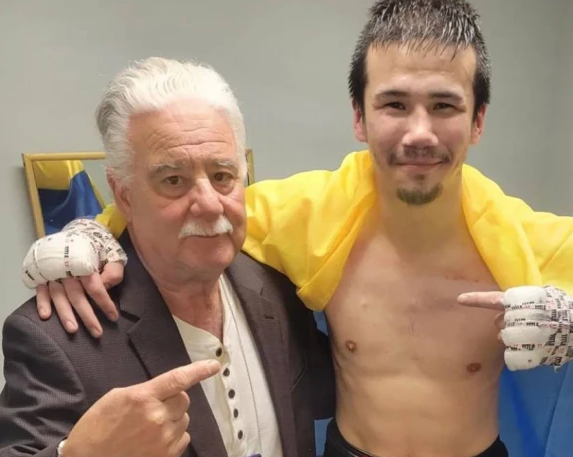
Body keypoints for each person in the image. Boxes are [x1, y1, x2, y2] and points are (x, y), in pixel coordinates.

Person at [20, 1, 573, 456]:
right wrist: (88, 237)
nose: (418, 131)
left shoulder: (538, 244)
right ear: (360, 118)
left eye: (444, 105)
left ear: (477, 120)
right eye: (394, 104)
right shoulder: (305, 216)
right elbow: (192, 214)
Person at [2, 57, 335, 457]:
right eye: (173, 180)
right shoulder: (57, 337)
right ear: (123, 194)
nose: (209, 204)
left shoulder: (278, 287)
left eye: (222, 176)